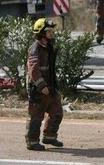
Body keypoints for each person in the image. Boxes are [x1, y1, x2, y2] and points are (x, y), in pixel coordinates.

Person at [25, 18, 64, 151]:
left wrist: (53, 87)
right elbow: (33, 70)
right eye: (48, 31)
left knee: (57, 111)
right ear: (41, 33)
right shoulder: (35, 49)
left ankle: (49, 136)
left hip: (51, 87)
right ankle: (32, 141)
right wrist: (42, 87)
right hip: (38, 89)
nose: (51, 33)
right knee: (36, 116)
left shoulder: (49, 46)